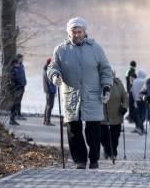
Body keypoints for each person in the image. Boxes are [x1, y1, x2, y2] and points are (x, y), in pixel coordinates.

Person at [47, 17, 113, 169]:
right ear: (68, 33)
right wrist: (55, 75)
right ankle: (80, 160)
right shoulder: (60, 50)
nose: (77, 35)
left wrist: (106, 87)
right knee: (73, 130)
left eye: (79, 31)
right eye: (73, 32)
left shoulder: (95, 48)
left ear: (84, 32)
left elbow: (105, 69)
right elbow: (52, 67)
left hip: (93, 94)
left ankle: (94, 158)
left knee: (93, 131)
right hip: (71, 95)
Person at [101, 69, 129, 159]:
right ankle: (106, 150)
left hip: (117, 115)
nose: (109, 76)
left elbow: (125, 97)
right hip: (103, 116)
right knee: (103, 136)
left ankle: (113, 153)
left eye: (111, 74)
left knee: (115, 136)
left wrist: (124, 107)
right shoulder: (99, 84)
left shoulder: (119, 84)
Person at [9, 55, 27, 125]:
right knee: (14, 104)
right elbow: (12, 80)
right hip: (16, 89)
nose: (18, 64)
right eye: (17, 63)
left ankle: (14, 118)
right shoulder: (13, 69)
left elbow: (22, 77)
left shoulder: (20, 67)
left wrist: (24, 83)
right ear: (14, 63)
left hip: (21, 87)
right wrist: (14, 88)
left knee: (17, 103)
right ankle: (12, 119)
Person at [131, 69, 147, 135]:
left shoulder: (135, 81)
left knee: (139, 114)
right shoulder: (144, 81)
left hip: (137, 100)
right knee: (143, 114)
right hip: (143, 99)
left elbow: (132, 91)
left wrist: (134, 99)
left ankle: (141, 128)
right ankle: (140, 128)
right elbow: (146, 90)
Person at [42, 58, 56, 126]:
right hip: (50, 91)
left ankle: (45, 120)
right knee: (50, 106)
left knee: (48, 105)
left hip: (49, 91)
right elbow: (51, 83)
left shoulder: (46, 70)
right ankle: (47, 121)